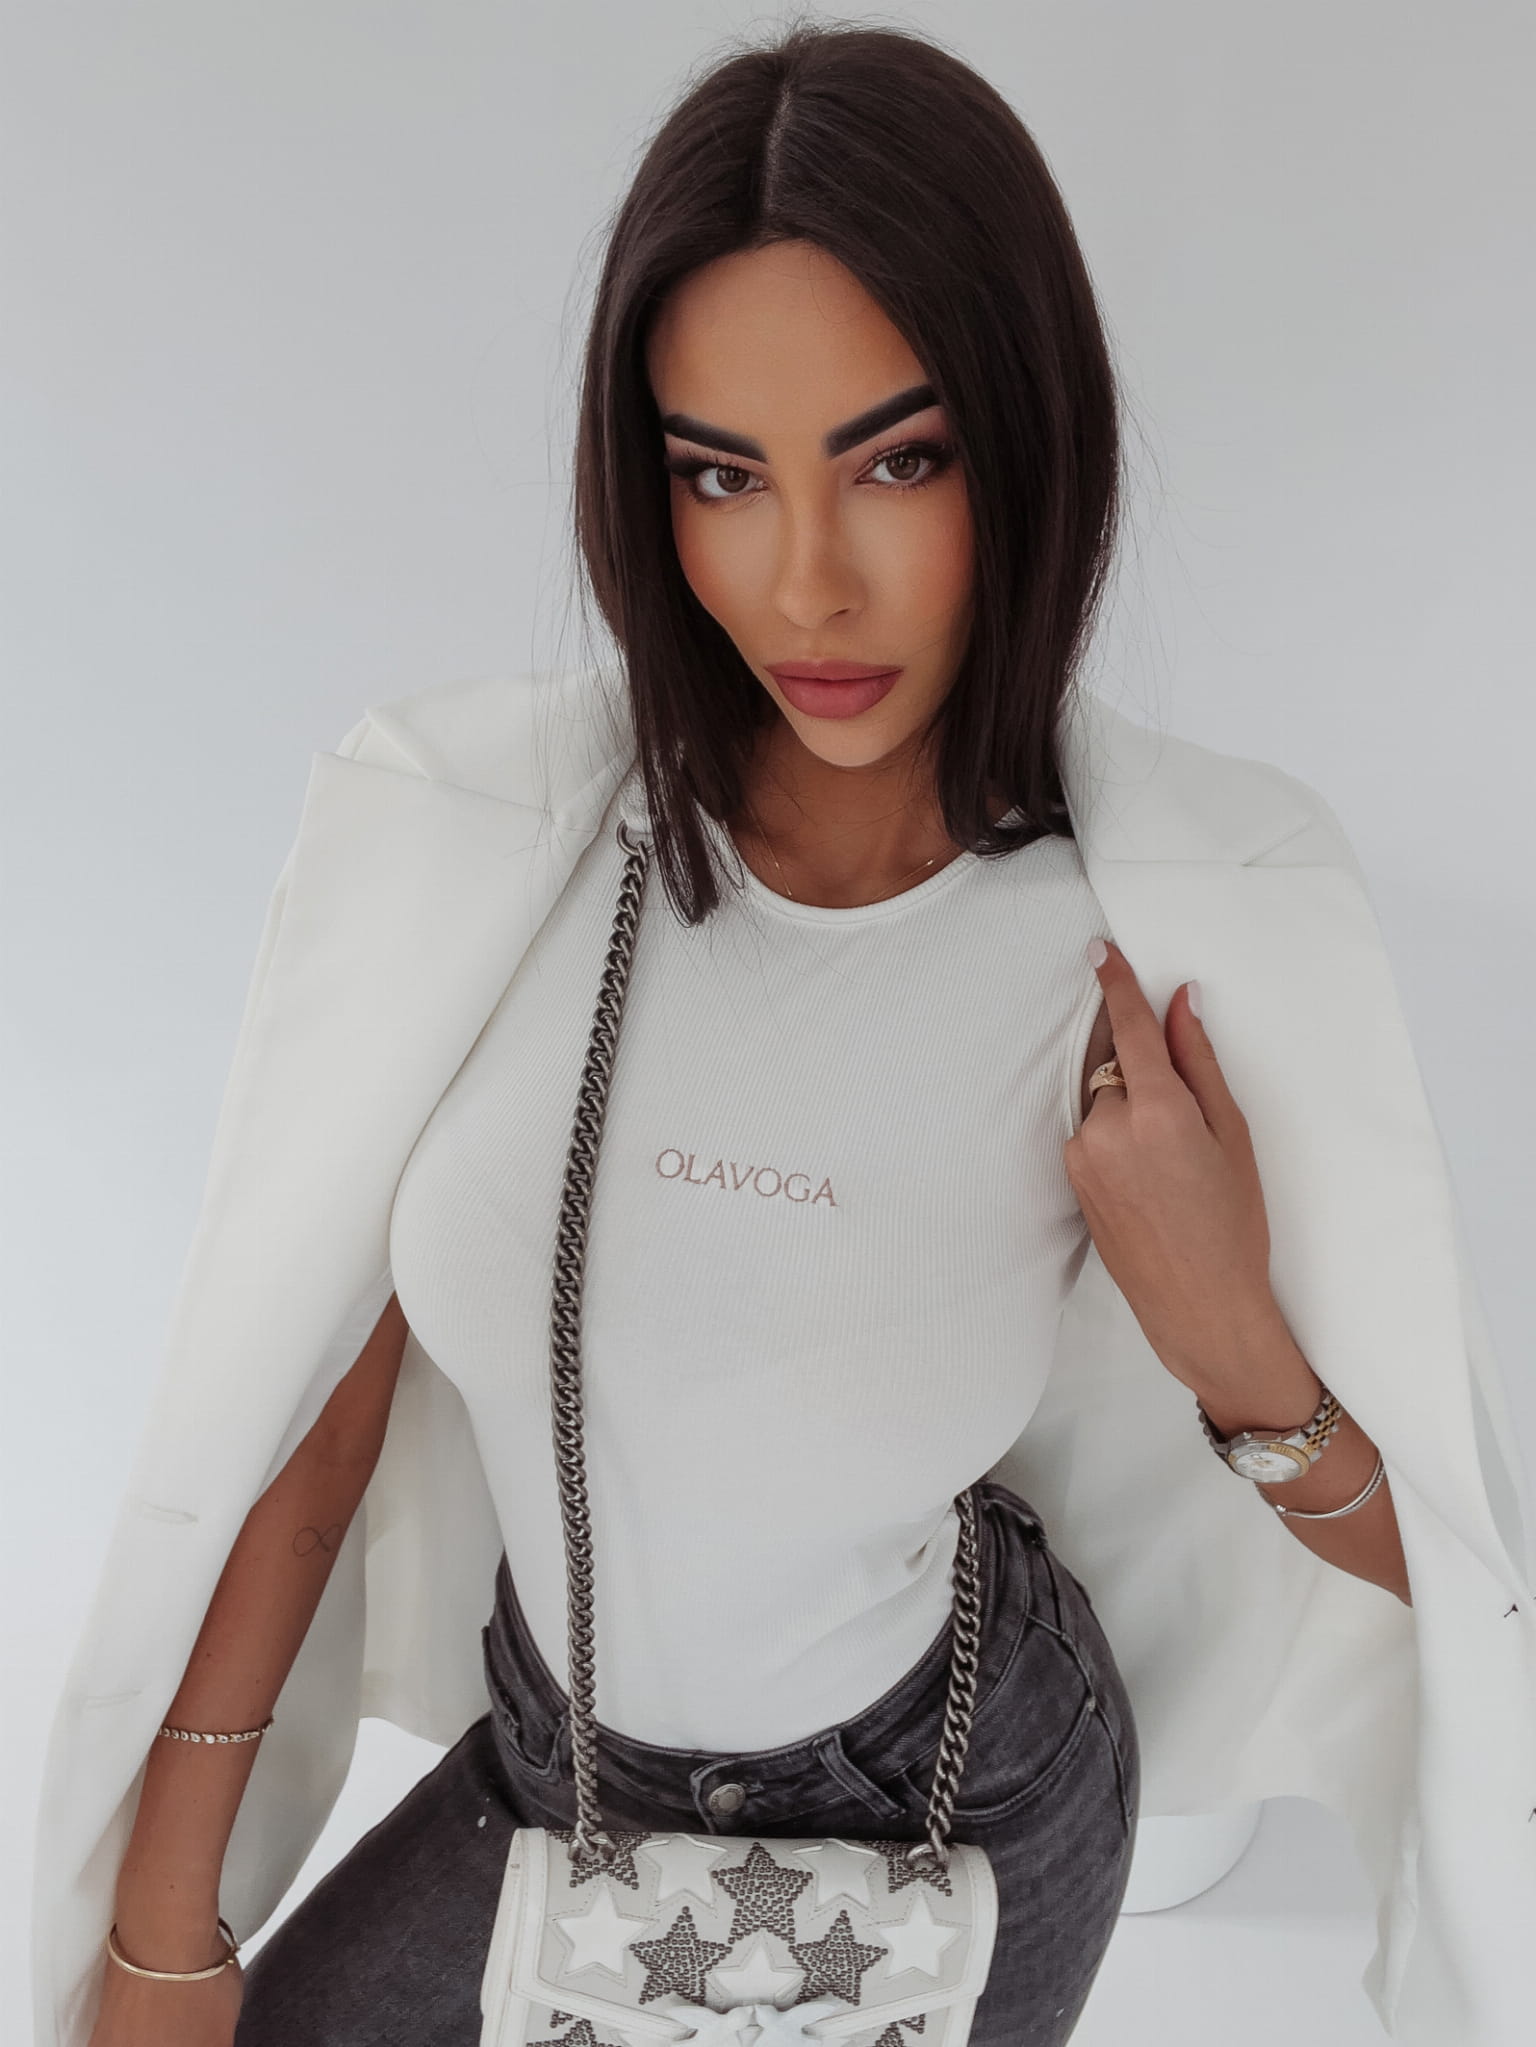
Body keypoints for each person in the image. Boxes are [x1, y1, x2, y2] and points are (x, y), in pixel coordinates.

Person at [36, 22, 1536, 2047]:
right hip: (551, 1756)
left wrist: (1229, 1337)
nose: (807, 582)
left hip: (955, 1789)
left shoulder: (1160, 924)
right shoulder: (480, 847)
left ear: (1031, 444)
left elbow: (1453, 1580)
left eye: (900, 459)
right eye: (721, 476)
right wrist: (167, 1933)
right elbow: (308, 1424)